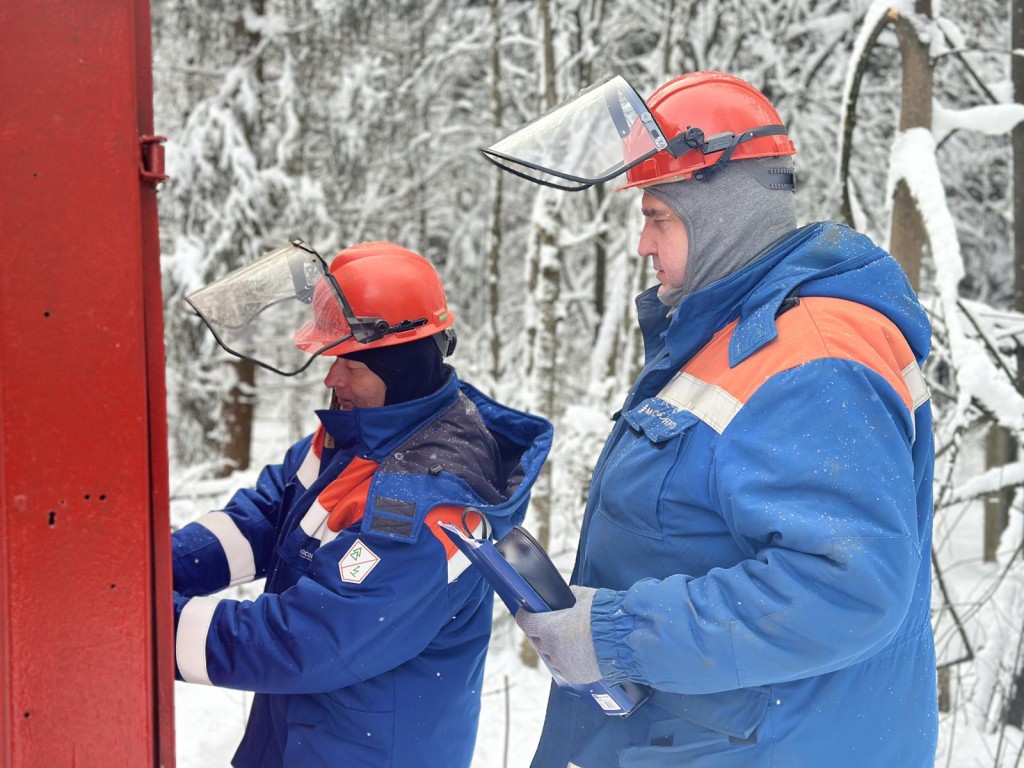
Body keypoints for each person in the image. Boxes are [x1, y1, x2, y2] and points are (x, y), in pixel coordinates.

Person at [487, 72, 937, 765]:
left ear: (720, 214)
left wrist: (614, 635)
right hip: (694, 736)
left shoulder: (813, 357)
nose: (642, 244)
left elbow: (845, 586)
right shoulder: (730, 334)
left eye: (656, 216)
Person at [171, 240, 552, 768]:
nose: (331, 379)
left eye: (350, 364)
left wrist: (150, 626)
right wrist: (150, 568)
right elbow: (263, 518)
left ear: (401, 365)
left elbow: (307, 640)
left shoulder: (427, 504)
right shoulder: (360, 436)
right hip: (299, 737)